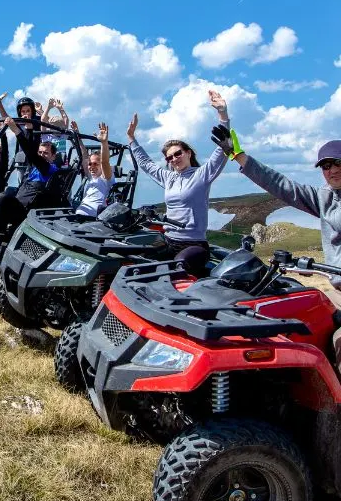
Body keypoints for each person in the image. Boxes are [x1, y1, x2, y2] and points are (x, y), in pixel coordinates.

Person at [211, 127, 341, 369]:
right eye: (326, 166)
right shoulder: (326, 198)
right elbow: (283, 186)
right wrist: (239, 156)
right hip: (336, 289)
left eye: (338, 162)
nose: (333, 170)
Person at [126, 90, 230, 276]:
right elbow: (147, 165)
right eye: (169, 157)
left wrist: (223, 115)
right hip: (168, 240)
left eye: (178, 153)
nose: (174, 159)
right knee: (137, 264)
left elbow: (221, 151)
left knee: (177, 271)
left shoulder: (201, 175)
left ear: (188, 153)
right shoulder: (169, 178)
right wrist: (132, 139)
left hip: (194, 244)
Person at [0, 116, 60, 255]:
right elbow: (32, 150)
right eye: (40, 152)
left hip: (22, 212)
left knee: (4, 196)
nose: (42, 155)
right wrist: (27, 129)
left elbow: (31, 153)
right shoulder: (35, 168)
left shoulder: (48, 169)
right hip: (16, 206)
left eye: (46, 153)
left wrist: (16, 131)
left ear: (53, 157)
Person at [71, 120, 115, 217]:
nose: (91, 167)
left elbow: (105, 162)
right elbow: (84, 156)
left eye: (95, 164)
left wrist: (104, 143)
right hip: (80, 216)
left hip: (93, 219)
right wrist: (77, 136)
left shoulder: (106, 178)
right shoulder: (91, 177)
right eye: (90, 164)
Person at [41, 97, 69, 166]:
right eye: (54, 126)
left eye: (59, 126)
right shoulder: (46, 136)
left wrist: (60, 108)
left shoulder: (63, 136)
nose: (57, 128)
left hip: (61, 164)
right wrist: (48, 107)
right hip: (48, 163)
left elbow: (66, 120)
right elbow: (43, 120)